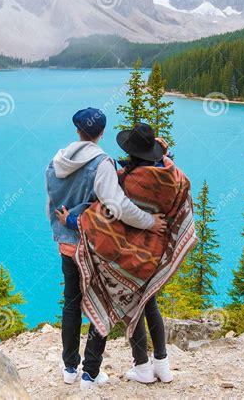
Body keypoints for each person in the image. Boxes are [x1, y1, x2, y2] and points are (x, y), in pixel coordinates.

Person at [46, 108, 167, 391]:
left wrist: (63, 227)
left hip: (65, 243)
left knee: (71, 303)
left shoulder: (56, 161)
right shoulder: (102, 163)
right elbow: (116, 206)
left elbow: (51, 202)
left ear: (77, 130)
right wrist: (149, 221)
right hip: (92, 245)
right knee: (101, 304)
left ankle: (69, 367)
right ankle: (90, 373)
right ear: (101, 133)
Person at [69, 123, 197, 386]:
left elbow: (108, 210)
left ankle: (140, 367)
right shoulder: (174, 176)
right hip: (156, 251)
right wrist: (163, 153)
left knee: (133, 306)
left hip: (132, 256)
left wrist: (74, 220)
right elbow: (167, 171)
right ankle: (162, 365)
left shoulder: (129, 180)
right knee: (149, 303)